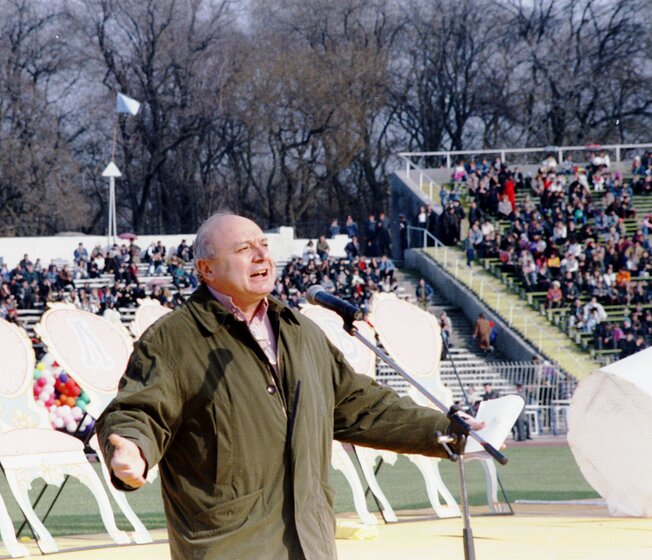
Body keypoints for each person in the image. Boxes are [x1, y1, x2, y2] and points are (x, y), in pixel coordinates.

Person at [96, 212, 479, 560]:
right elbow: (138, 411)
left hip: (310, 545)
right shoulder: (173, 339)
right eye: (244, 249)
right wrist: (132, 446)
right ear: (206, 269)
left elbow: (364, 407)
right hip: (231, 547)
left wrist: (450, 431)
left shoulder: (302, 333)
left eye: (264, 245)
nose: (261, 255)